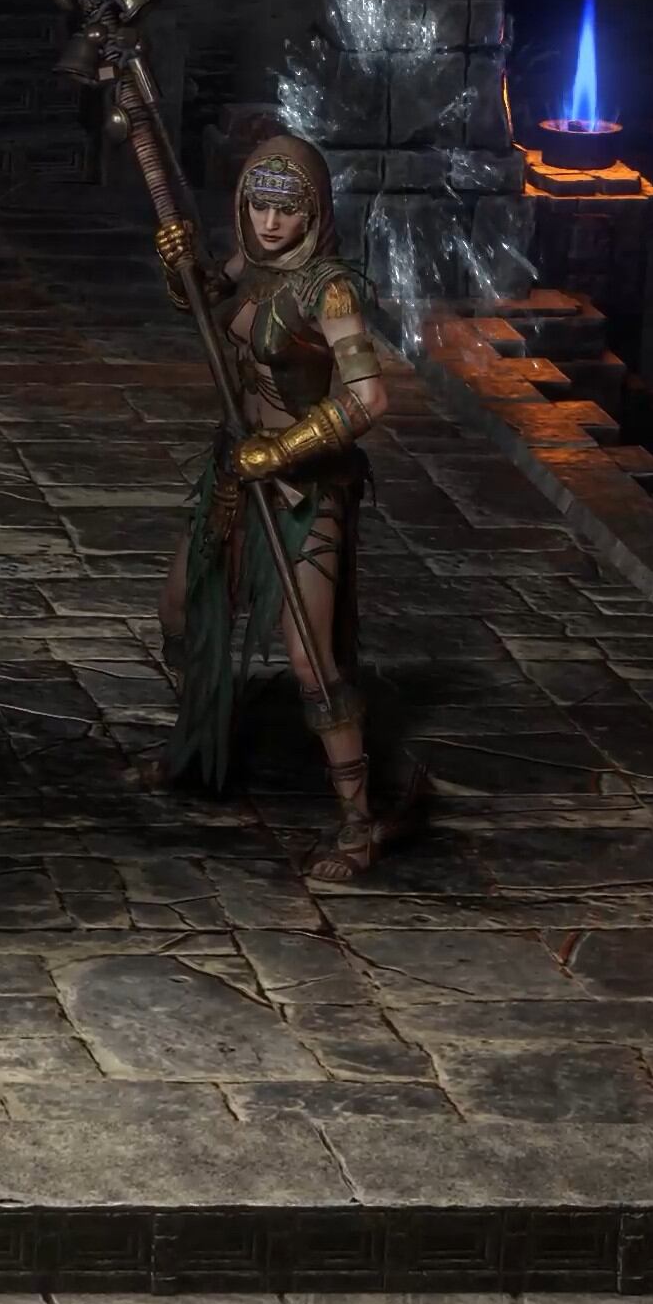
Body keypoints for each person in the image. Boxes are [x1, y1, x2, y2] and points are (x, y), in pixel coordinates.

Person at [152, 131, 417, 880]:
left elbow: (368, 398)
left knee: (309, 655)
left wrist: (284, 450)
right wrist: (180, 268)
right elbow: (207, 304)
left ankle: (358, 823)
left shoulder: (329, 289)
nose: (270, 223)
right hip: (235, 473)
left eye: (287, 209)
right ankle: (194, 744)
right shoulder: (252, 264)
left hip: (307, 486)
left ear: (314, 211)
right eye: (258, 206)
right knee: (180, 608)